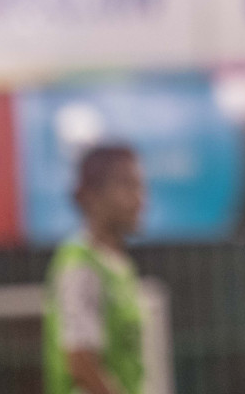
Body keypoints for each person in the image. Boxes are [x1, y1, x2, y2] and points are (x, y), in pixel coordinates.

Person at [43, 145, 147, 394]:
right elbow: (80, 360)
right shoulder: (78, 262)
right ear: (91, 196)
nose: (139, 199)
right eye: (127, 185)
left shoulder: (120, 266)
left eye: (140, 187)